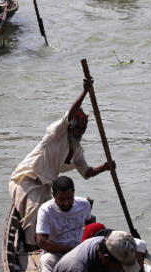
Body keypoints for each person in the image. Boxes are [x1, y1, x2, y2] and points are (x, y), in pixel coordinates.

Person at [9, 79, 115, 251]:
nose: (80, 132)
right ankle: (30, 251)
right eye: (77, 127)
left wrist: (104, 167)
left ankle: (44, 245)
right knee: (33, 216)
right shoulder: (55, 134)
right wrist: (84, 92)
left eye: (83, 129)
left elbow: (86, 173)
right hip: (26, 180)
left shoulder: (77, 150)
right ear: (70, 125)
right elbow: (70, 114)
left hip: (46, 187)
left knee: (53, 220)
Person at [37, 176, 94, 272]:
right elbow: (42, 242)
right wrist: (72, 250)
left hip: (80, 253)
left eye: (70, 198)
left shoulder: (84, 204)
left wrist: (85, 245)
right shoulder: (46, 210)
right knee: (46, 260)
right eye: (62, 199)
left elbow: (90, 226)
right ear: (53, 195)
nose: (67, 203)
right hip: (56, 254)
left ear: (74, 193)